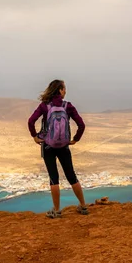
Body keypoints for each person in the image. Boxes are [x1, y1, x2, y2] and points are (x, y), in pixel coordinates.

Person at [28, 79, 88, 218]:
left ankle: (56, 210)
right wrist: (75, 139)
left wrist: (35, 136)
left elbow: (31, 121)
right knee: (71, 175)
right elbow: (81, 125)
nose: (65, 91)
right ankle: (83, 206)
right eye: (64, 88)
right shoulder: (67, 106)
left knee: (53, 178)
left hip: (48, 145)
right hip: (64, 146)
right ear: (59, 90)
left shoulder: (44, 106)